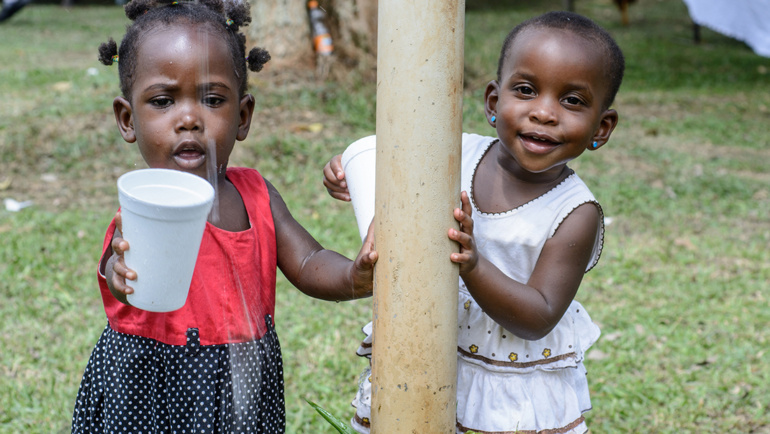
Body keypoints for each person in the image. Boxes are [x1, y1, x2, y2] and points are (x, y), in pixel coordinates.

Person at [71, 0, 378, 432]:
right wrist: (118, 273)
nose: (190, 119)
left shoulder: (255, 196)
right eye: (162, 101)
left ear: (243, 116)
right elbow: (114, 265)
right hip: (150, 388)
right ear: (128, 119)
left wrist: (352, 276)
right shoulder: (144, 207)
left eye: (213, 99)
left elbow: (308, 262)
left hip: (243, 380)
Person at [322, 10, 624, 434]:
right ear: (493, 103)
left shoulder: (574, 213)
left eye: (572, 100)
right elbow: (389, 165)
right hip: (424, 348)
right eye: (526, 90)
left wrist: (474, 266)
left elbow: (538, 316)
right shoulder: (452, 150)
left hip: (506, 384)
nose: (544, 112)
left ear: (602, 127)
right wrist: (345, 172)